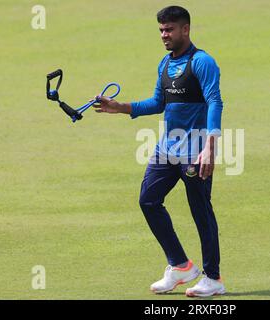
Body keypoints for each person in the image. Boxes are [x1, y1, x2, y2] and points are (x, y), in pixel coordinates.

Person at [93, 5, 225, 297]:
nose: (165, 35)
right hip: (167, 150)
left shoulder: (203, 62)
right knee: (148, 200)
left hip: (195, 151)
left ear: (185, 29)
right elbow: (157, 103)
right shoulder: (164, 65)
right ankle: (180, 265)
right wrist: (120, 107)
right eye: (162, 30)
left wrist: (210, 148)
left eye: (170, 29)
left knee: (200, 211)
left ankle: (213, 278)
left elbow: (215, 102)